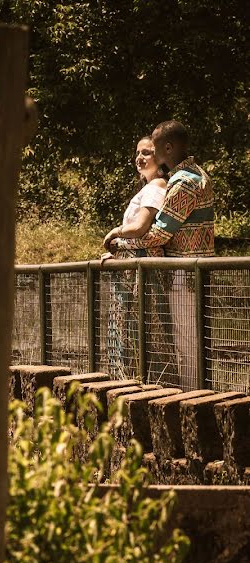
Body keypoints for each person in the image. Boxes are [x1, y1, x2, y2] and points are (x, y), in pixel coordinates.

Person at [107, 121, 215, 388]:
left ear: (167, 147)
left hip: (183, 274)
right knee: (192, 342)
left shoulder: (183, 182)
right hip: (193, 270)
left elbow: (159, 233)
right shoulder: (196, 174)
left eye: (154, 148)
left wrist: (118, 243)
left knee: (187, 343)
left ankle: (193, 398)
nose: (151, 154)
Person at [102, 136, 170, 379]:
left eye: (147, 153)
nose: (139, 158)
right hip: (132, 267)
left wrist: (115, 234)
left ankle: (136, 383)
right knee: (130, 329)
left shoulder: (156, 186)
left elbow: (140, 226)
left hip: (141, 272)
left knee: (139, 330)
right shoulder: (149, 187)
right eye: (137, 153)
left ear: (160, 157)